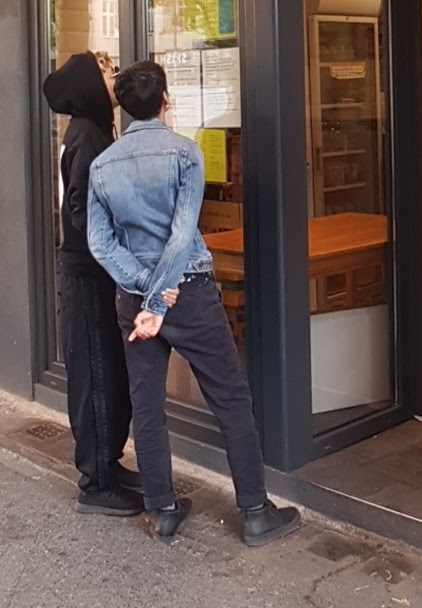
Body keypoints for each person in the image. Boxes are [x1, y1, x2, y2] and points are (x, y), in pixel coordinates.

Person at [87, 59, 300, 547]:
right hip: (187, 291)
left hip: (134, 300)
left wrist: (144, 290)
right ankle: (255, 512)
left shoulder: (102, 165)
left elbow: (101, 243)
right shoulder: (184, 153)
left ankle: (163, 509)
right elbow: (182, 234)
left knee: (146, 404)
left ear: (124, 106)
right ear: (164, 100)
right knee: (230, 396)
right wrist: (160, 297)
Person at [43, 51, 142, 517]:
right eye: (105, 71)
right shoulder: (86, 134)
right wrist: (114, 251)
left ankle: (108, 463)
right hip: (87, 274)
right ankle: (96, 482)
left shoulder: (96, 130)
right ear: (87, 84)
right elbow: (82, 209)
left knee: (109, 372)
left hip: (97, 271)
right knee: (96, 375)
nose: (114, 75)